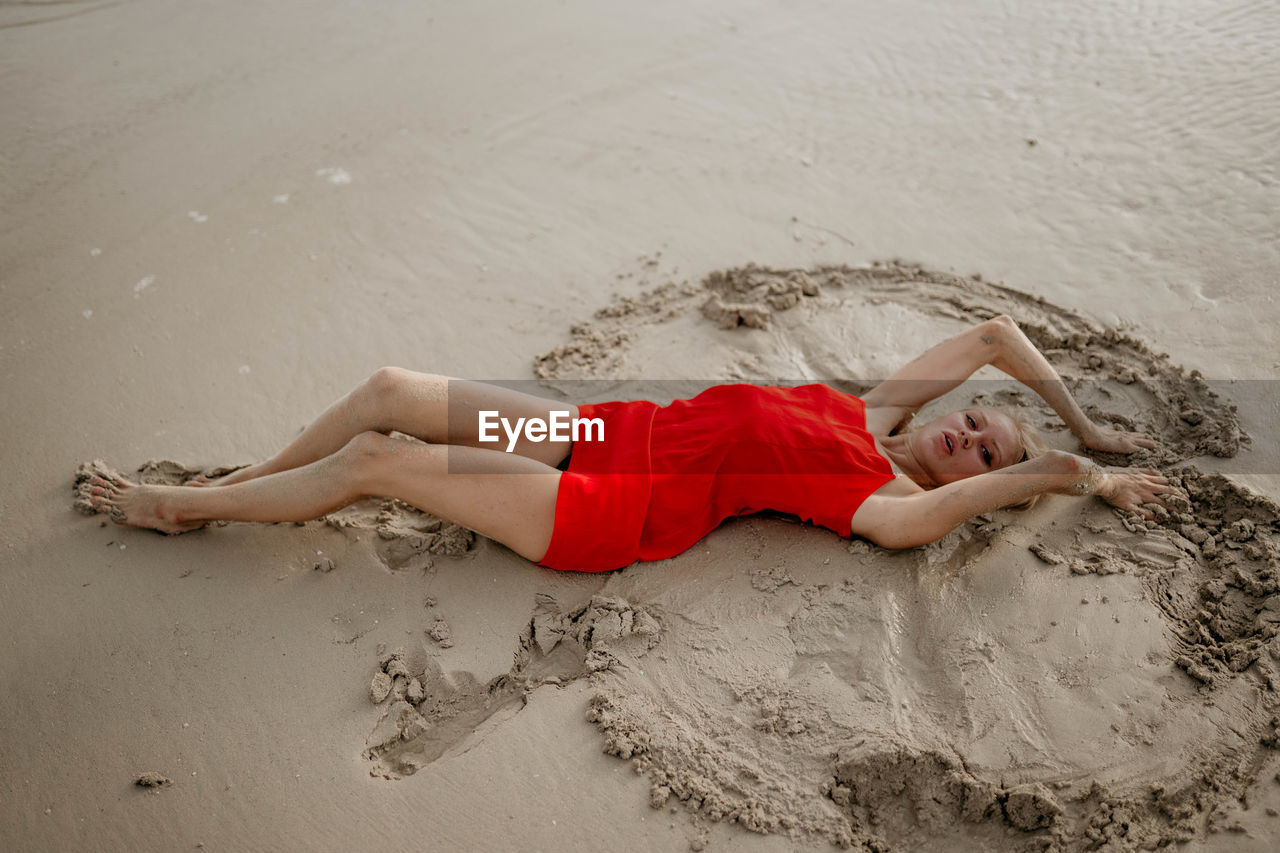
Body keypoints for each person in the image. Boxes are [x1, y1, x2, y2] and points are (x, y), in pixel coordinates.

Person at [79, 314, 1180, 570]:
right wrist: (1083, 422)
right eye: (977, 424)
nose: (967, 437)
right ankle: (254, 479)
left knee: (381, 465)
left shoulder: (871, 492)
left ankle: (183, 506)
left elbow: (924, 525)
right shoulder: (869, 412)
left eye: (985, 455)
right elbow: (989, 333)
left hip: (599, 512)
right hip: (586, 438)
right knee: (387, 391)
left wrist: (1069, 473)